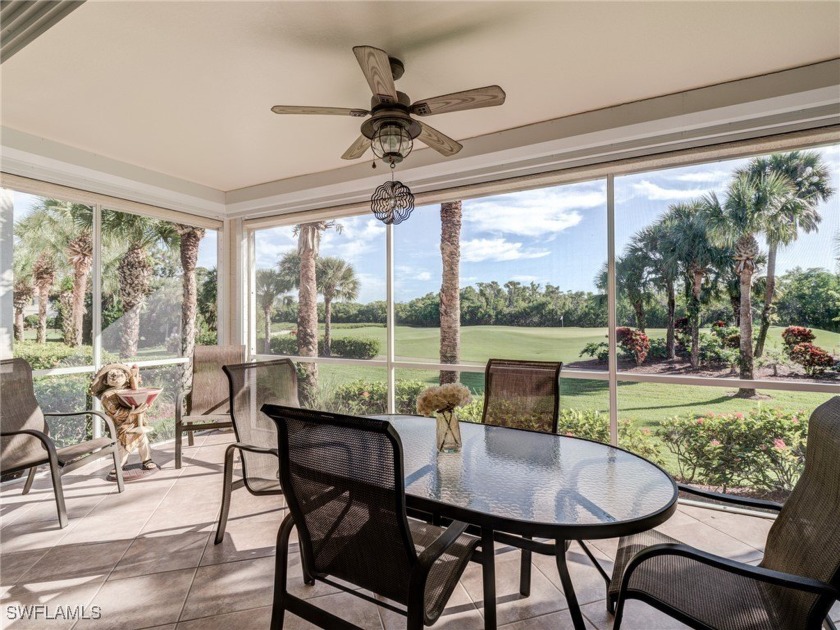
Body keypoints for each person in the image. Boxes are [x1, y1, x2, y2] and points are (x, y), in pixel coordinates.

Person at [90, 363, 156, 472]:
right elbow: (114, 412)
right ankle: (119, 464)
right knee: (123, 445)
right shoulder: (107, 395)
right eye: (112, 375)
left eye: (120, 373)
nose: (116, 376)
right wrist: (132, 411)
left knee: (143, 440)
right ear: (105, 381)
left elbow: (139, 401)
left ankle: (147, 460)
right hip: (121, 425)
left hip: (136, 422)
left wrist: (146, 404)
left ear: (126, 377)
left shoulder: (129, 390)